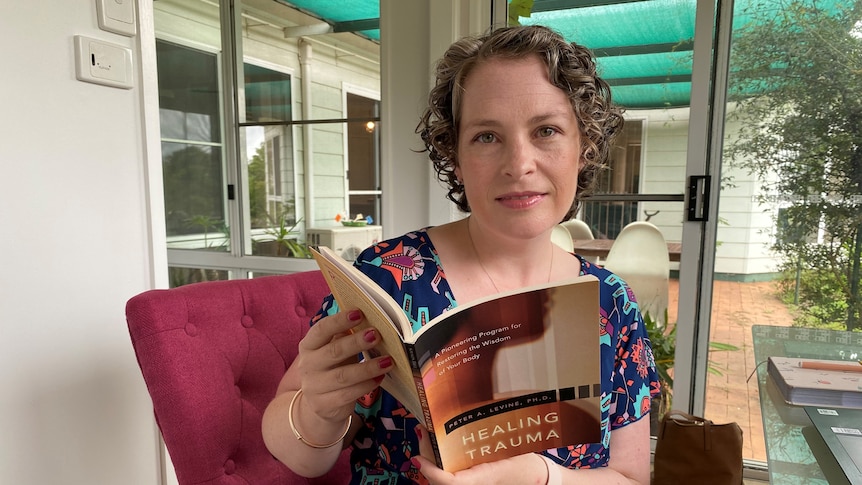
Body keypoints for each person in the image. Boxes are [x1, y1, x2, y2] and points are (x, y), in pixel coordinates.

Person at [262, 24, 660, 485]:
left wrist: (541, 476)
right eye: (487, 137)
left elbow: (631, 478)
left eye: (547, 130)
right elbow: (300, 458)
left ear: (583, 147)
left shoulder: (611, 301)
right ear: (454, 153)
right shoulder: (389, 274)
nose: (519, 163)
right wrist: (316, 409)